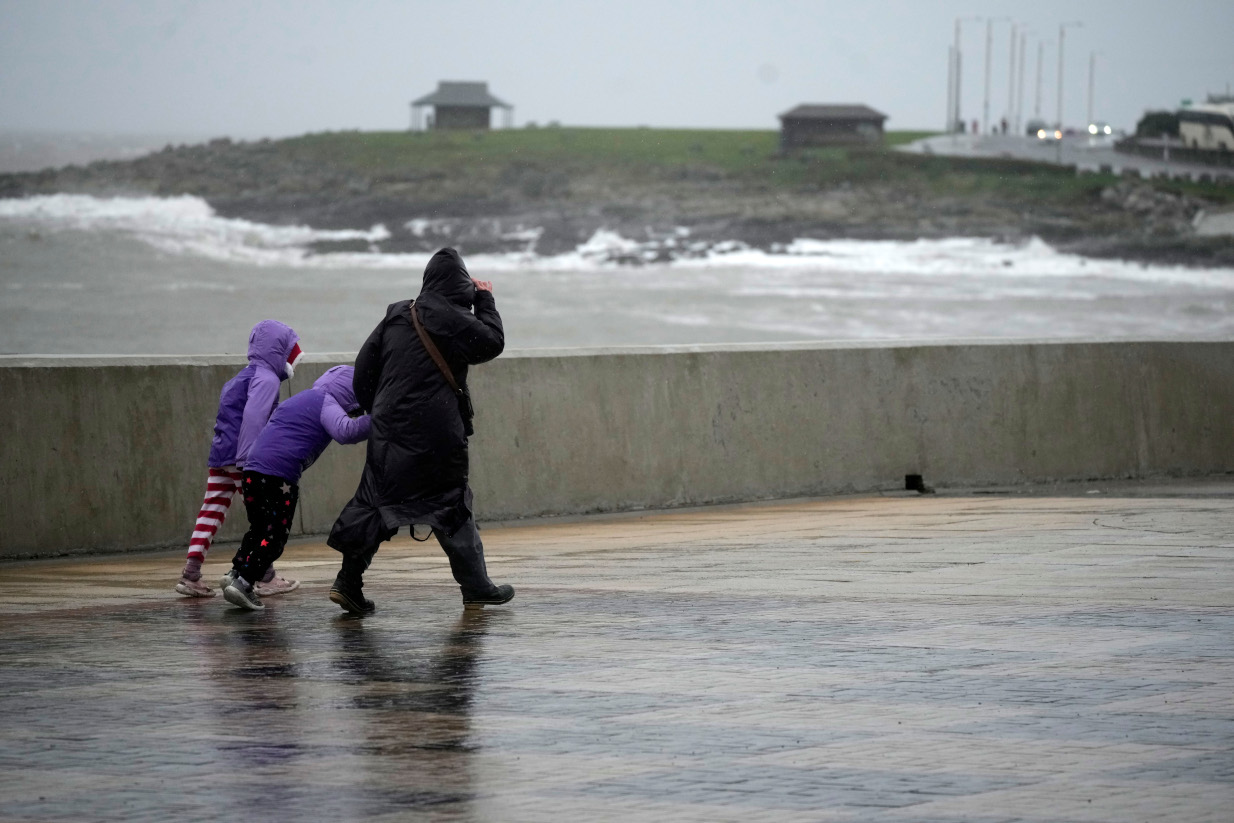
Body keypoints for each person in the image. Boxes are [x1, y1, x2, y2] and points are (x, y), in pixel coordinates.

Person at [326, 247, 512, 614]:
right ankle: (476, 587)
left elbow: (364, 367)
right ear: (462, 284)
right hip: (437, 433)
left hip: (389, 430)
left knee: (376, 503)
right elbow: (492, 342)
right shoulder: (456, 318)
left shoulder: (398, 313)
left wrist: (376, 409)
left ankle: (348, 582)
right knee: (450, 502)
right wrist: (486, 298)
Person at [222, 365, 372, 610]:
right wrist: (384, 417)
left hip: (251, 471)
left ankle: (234, 573)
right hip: (278, 477)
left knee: (259, 528)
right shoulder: (327, 402)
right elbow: (346, 431)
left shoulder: (301, 398)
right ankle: (244, 583)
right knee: (274, 536)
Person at [175, 320, 303, 598]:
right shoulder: (266, 379)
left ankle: (191, 573)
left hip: (220, 455)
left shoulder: (238, 378)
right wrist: (249, 460)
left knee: (210, 512)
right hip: (246, 458)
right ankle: (264, 576)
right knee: (265, 519)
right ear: (279, 351)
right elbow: (255, 419)